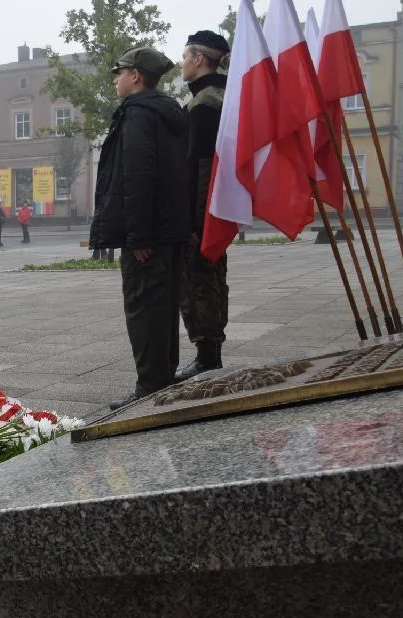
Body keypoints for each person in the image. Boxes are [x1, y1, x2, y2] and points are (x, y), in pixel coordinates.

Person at [88, 47, 190, 410]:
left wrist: (138, 235)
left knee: (145, 308)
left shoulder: (137, 115)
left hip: (150, 234)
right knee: (163, 308)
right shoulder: (169, 112)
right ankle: (164, 377)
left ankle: (150, 386)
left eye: (119, 72)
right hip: (171, 229)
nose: (116, 79)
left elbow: (138, 175)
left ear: (135, 75)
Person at [175, 30, 231, 383]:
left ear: (198, 58)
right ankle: (211, 353)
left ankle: (207, 356)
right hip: (218, 207)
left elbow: (198, 167)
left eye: (184, 57)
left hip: (202, 212)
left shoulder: (204, 104)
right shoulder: (224, 96)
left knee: (198, 279)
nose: (181, 64)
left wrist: (192, 224)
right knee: (214, 278)